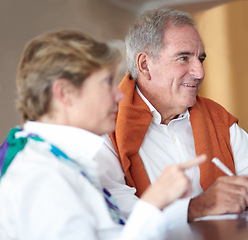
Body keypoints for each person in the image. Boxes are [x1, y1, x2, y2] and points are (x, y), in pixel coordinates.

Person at [0, 30, 206, 240]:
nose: (119, 94)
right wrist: (152, 204)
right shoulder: (43, 177)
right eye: (107, 82)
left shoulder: (62, 160)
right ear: (64, 92)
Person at [99, 8, 248, 223]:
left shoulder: (215, 115)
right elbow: (116, 207)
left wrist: (238, 194)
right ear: (145, 65)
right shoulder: (106, 123)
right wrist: (195, 208)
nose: (200, 72)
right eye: (183, 58)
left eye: (201, 58)